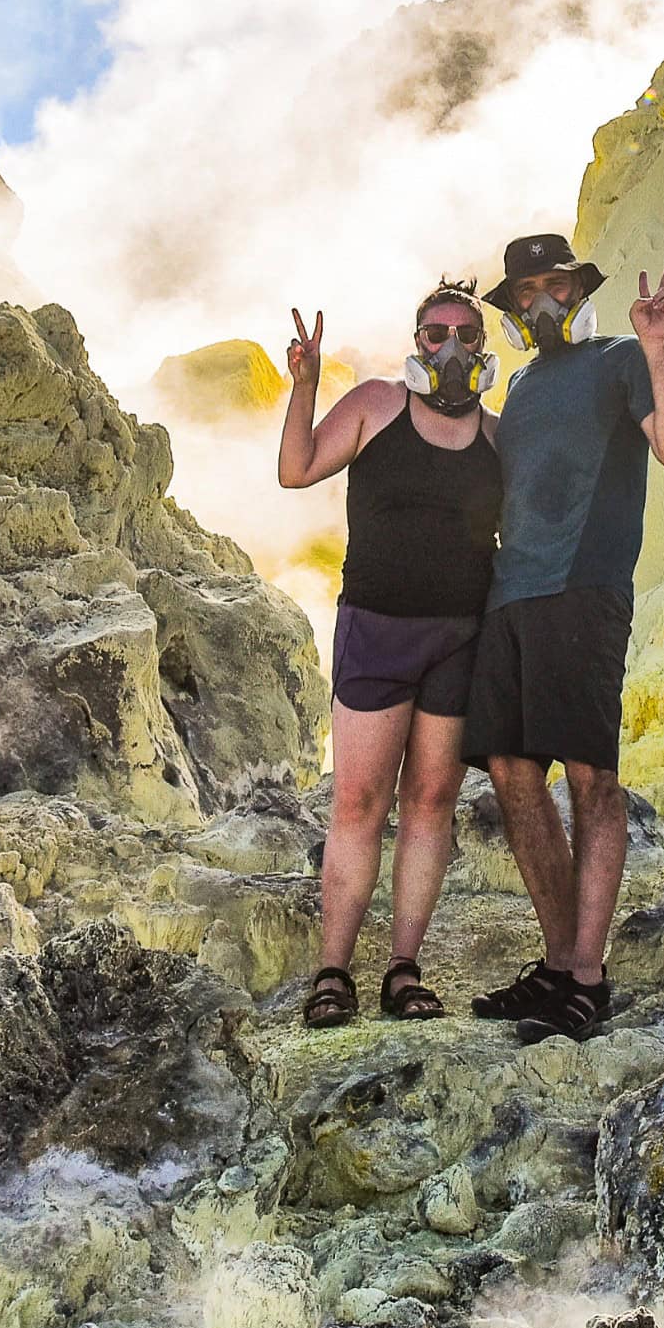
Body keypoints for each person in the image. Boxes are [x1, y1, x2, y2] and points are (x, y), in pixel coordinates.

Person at [462, 234, 664, 1044]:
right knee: (512, 772)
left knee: (593, 777)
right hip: (510, 600)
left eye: (551, 286)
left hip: (584, 591)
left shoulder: (622, 357)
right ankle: (559, 964)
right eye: (524, 294)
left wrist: (659, 348)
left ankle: (588, 981)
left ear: (576, 288)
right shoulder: (522, 385)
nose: (540, 304)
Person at [279, 282, 503, 1029]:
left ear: (482, 345)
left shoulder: (499, 437)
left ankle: (404, 968)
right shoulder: (376, 405)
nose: (449, 346)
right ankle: (333, 971)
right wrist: (305, 388)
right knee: (358, 801)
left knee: (432, 803)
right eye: (434, 333)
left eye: (465, 334)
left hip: (461, 637)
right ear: (416, 343)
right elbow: (297, 468)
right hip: (376, 629)